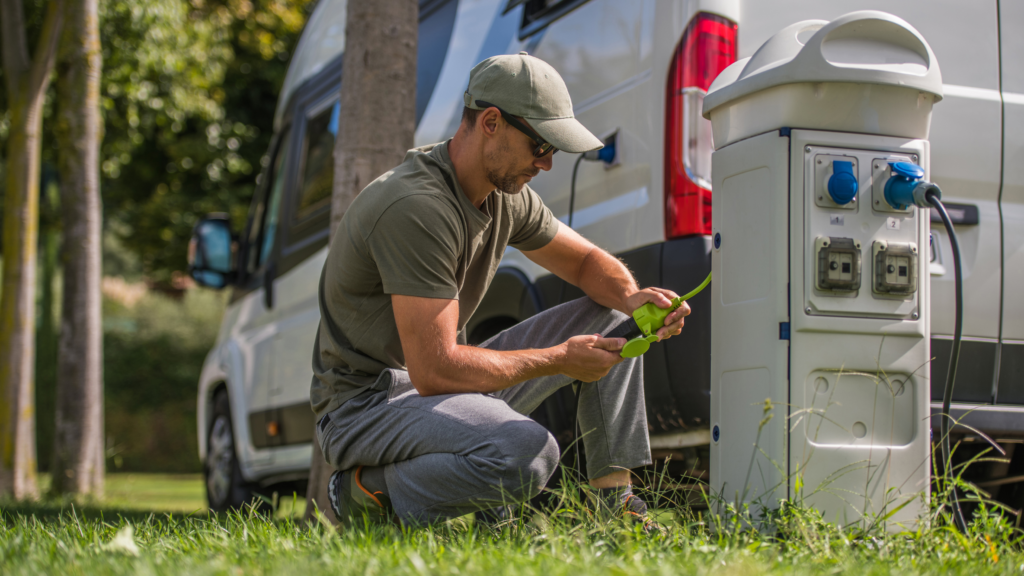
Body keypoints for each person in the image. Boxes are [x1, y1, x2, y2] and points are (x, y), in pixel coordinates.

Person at [310, 53, 690, 528]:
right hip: (366, 406)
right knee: (528, 452)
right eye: (540, 145)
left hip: (433, 391)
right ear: (491, 122)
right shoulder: (417, 207)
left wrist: (632, 297)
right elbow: (434, 370)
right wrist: (560, 359)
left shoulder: (505, 195)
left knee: (613, 316)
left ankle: (615, 515)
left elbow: (587, 261)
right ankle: (364, 493)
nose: (547, 164)